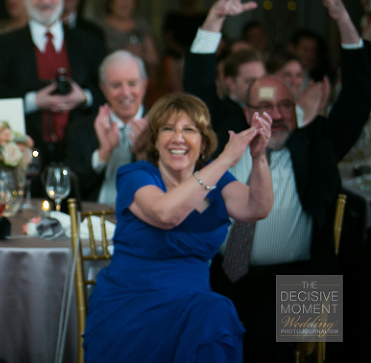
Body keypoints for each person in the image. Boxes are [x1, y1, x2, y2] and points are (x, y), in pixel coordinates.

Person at [183, 0, 371, 362]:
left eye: (286, 105)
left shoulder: (316, 143)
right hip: (220, 274)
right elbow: (197, 85)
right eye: (265, 107)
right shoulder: (227, 136)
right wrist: (214, 19)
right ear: (245, 112)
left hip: (303, 279)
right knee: (198, 340)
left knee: (276, 353)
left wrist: (343, 22)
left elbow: (359, 94)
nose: (277, 116)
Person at [83, 92, 274, 363]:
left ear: (203, 141)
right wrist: (224, 160)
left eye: (189, 130)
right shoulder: (136, 175)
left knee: (216, 312)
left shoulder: (218, 179)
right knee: (214, 312)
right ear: (155, 140)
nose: (178, 138)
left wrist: (259, 157)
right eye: (168, 129)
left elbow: (257, 208)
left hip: (193, 307)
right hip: (132, 308)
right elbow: (166, 214)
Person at [0, 0, 105, 169]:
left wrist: (84, 97)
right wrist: (33, 101)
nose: (46, 1)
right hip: (22, 156)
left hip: (81, 157)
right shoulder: (0, 45)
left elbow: (107, 92)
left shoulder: (90, 43)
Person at [65, 50, 149, 203]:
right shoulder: (80, 129)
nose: (125, 93)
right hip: (94, 213)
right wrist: (103, 154)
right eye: (116, 85)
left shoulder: (161, 126)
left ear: (144, 84)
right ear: (102, 88)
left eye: (132, 84)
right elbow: (68, 190)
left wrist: (143, 153)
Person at [184, 42, 265, 155]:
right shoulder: (219, 112)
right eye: (251, 81)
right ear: (231, 83)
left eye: (262, 80)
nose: (259, 87)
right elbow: (199, 78)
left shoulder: (271, 111)